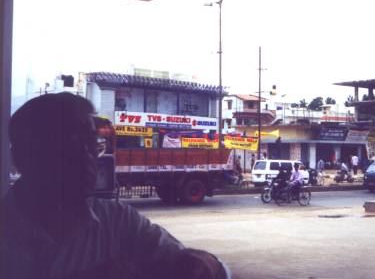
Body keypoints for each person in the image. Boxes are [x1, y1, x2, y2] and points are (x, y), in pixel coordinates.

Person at [0, 93, 230, 279]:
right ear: (22, 155)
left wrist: (202, 264)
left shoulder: (117, 221)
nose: (86, 156)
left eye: (91, 142)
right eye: (68, 143)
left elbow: (201, 266)